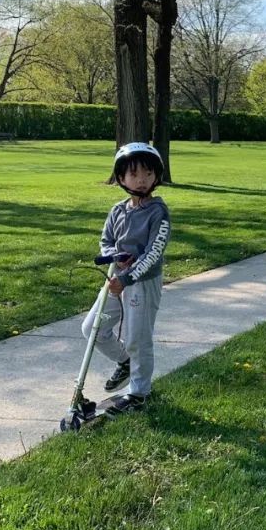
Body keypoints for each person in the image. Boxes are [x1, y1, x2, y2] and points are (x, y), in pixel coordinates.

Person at [80, 142, 171, 415]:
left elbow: (154, 251)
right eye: (133, 175)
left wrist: (128, 278)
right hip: (115, 279)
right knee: (92, 328)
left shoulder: (158, 212)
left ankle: (139, 393)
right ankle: (126, 362)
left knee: (138, 339)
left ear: (156, 176)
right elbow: (106, 240)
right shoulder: (118, 210)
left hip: (142, 283)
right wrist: (113, 256)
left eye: (147, 174)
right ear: (121, 178)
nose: (141, 180)